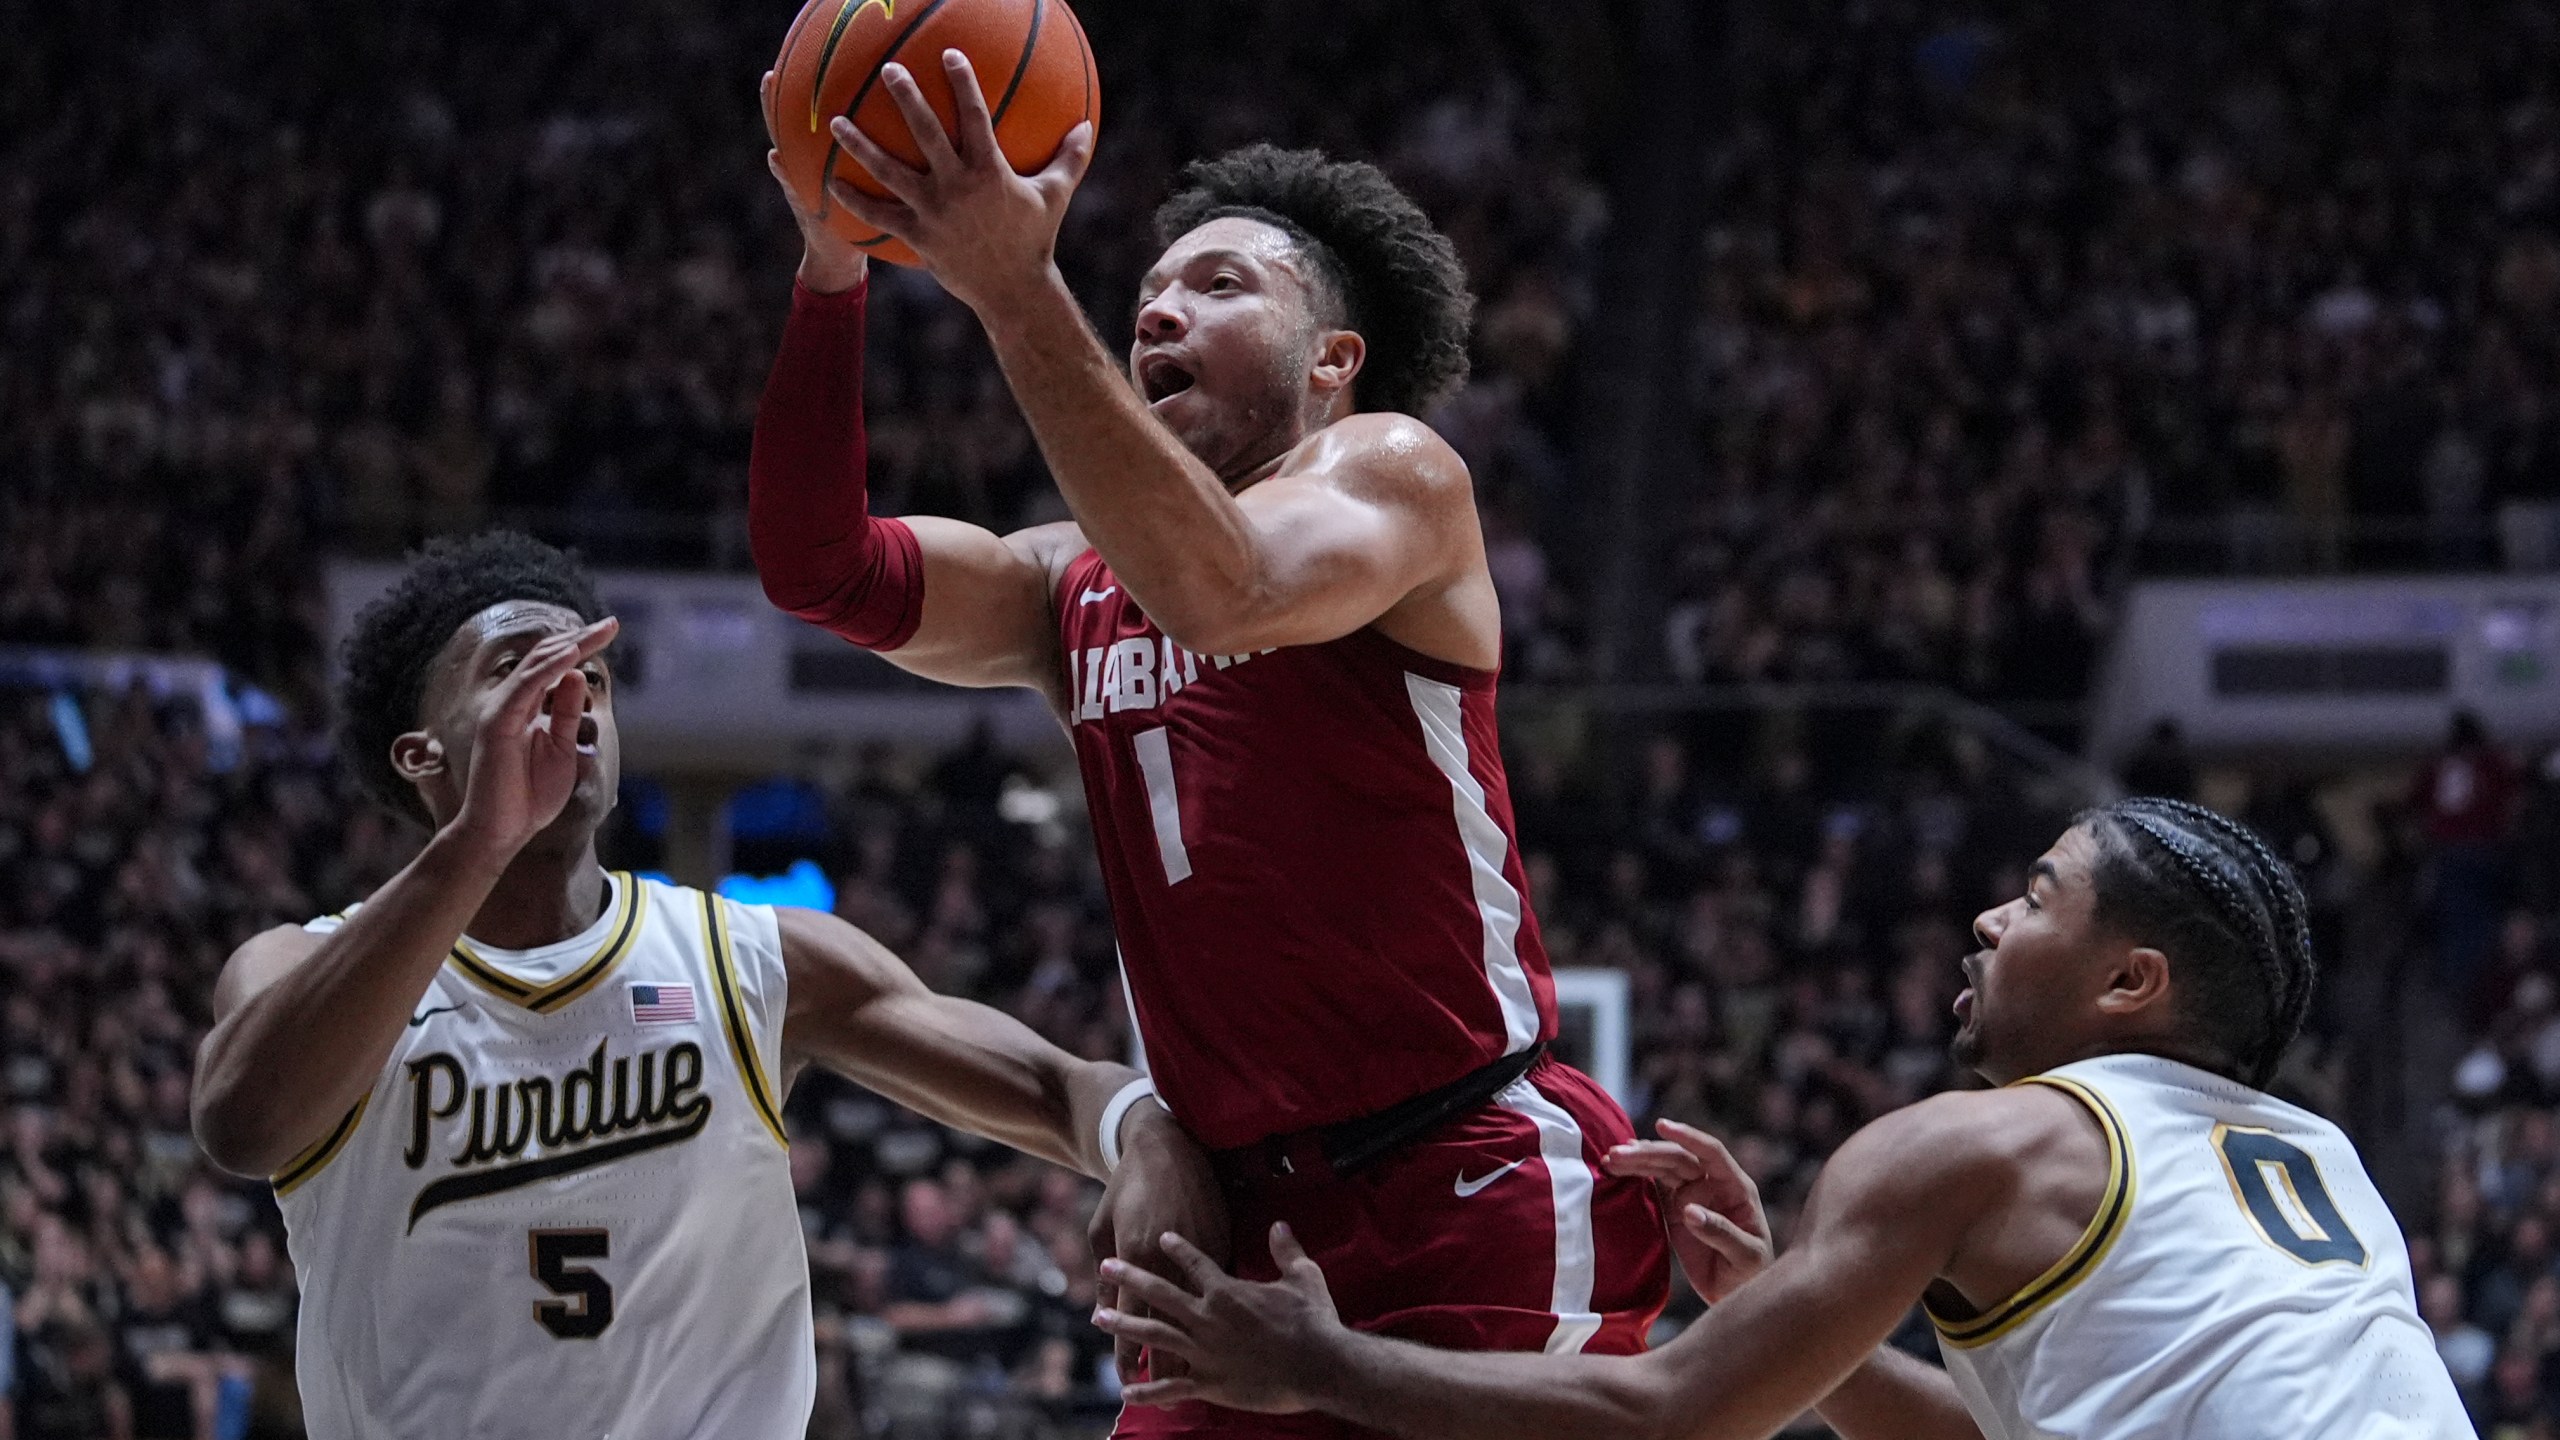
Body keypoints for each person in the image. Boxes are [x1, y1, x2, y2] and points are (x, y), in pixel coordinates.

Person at [749, 52, 1668, 1437]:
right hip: (1238, 1221)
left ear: (1333, 359)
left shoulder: (1398, 475)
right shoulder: (1070, 587)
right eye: (1147, 299)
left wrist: (1014, 286)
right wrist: (831, 275)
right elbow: (823, 569)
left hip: (1467, 1183)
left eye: (1221, 285)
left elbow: (1227, 584)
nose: (1164, 308)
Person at [188, 532, 1220, 1440]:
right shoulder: (299, 966)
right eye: (518, 673)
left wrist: (1140, 1126)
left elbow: (1056, 1088)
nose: (569, 700)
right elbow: (243, 1125)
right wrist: (479, 842)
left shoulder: (752, 962)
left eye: (589, 676)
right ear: (421, 755)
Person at [1092, 798, 2475, 1440]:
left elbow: (1675, 1414)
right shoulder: (2318, 1161)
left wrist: (1323, 1366)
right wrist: (1775, 1303)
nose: (1992, 917)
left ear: (2132, 982)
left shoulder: (1979, 1142)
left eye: (2041, 896)